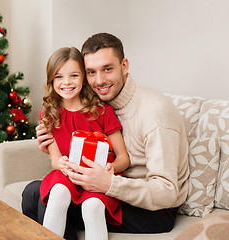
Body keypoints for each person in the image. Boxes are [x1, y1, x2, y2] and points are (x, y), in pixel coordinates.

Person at [22, 33, 189, 239]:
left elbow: (167, 192)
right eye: (91, 72)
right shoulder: (99, 102)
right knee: (35, 192)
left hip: (150, 210)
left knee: (37, 196)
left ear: (124, 66)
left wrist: (108, 183)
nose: (99, 80)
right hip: (108, 188)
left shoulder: (155, 113)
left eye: (107, 69)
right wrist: (51, 145)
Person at [39, 47, 130, 240]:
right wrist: (61, 164)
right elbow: (55, 161)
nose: (66, 83)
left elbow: (123, 158)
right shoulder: (49, 113)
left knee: (92, 207)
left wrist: (109, 168)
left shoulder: (102, 111)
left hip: (98, 177)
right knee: (58, 192)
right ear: (51, 80)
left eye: (73, 75)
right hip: (69, 174)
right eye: (59, 77)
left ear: (83, 78)